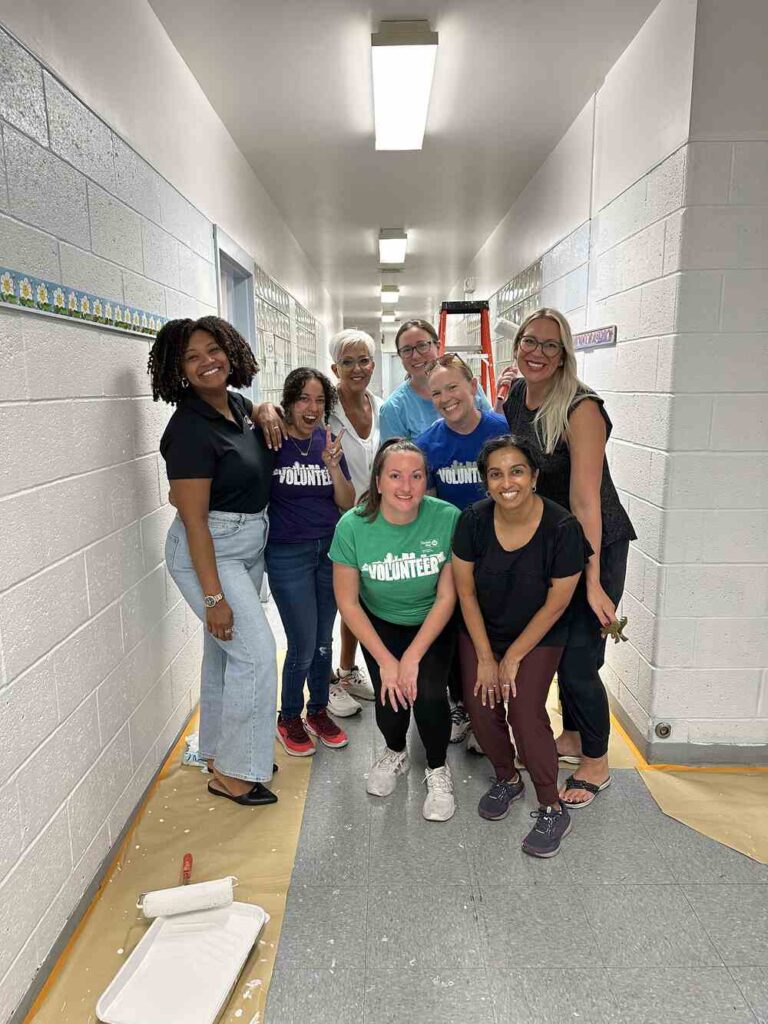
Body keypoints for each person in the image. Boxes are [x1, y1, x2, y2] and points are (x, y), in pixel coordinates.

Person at [501, 308, 636, 808]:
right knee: (562, 650)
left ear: (564, 356)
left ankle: (596, 760)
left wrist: (594, 578)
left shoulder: (582, 409)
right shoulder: (517, 395)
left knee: (580, 658)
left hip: (596, 541)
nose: (537, 352)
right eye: (529, 342)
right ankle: (575, 737)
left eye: (549, 346)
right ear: (517, 346)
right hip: (556, 546)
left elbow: (586, 500)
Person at [151, 316, 278, 806]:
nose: (207, 362)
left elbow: (255, 433)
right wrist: (213, 598)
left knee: (225, 655)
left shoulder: (240, 407)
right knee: (255, 653)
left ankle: (219, 753)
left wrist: (265, 406)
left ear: (229, 350)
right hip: (210, 550)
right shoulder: (187, 428)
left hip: (246, 543)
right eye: (192, 357)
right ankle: (234, 774)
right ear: (179, 370)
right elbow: (196, 522)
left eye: (213, 350)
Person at [453, 436, 589, 857]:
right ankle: (507, 778)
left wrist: (511, 657)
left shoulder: (562, 528)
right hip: (483, 628)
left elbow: (558, 602)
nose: (506, 482)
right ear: (486, 482)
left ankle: (551, 806)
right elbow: (466, 593)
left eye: (516, 471)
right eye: (495, 474)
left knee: (524, 710)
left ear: (533, 477)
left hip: (539, 632)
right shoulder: (474, 521)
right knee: (480, 701)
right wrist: (486, 656)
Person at [329, 439, 461, 821]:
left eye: (416, 476)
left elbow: (446, 597)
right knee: (390, 695)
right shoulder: (352, 526)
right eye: (396, 476)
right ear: (379, 481)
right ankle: (394, 752)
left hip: (432, 622)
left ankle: (437, 768)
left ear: (426, 480)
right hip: (380, 622)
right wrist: (388, 662)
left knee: (430, 694)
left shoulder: (446, 517)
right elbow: (348, 603)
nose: (407, 487)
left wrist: (414, 657)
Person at [415, 353, 509, 746]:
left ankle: (494, 716)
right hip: (458, 555)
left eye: (453, 387)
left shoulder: (502, 431)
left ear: (473, 386)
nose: (446, 397)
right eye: (437, 392)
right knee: (458, 636)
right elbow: (429, 509)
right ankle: (464, 707)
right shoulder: (429, 443)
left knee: (497, 633)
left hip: (503, 550)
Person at [266, 368, 356, 756]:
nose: (312, 407)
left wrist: (334, 466)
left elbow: (347, 501)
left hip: (328, 552)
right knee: (302, 642)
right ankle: (289, 715)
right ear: (288, 401)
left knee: (323, 640)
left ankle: (317, 710)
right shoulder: (271, 440)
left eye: (320, 400)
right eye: (304, 398)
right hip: (287, 553)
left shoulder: (328, 442)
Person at [326, 328, 382, 714]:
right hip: (333, 516)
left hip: (374, 517)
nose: (357, 368)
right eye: (348, 362)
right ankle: (325, 679)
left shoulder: (382, 407)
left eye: (363, 360)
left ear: (373, 365)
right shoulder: (324, 409)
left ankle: (347, 669)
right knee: (332, 600)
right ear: (335, 367)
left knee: (359, 597)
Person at [379, 318, 492, 441]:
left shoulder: (466, 384)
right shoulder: (393, 409)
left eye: (422, 345)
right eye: (406, 350)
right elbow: (394, 458)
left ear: (438, 346)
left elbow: (493, 431)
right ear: (400, 356)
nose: (415, 355)